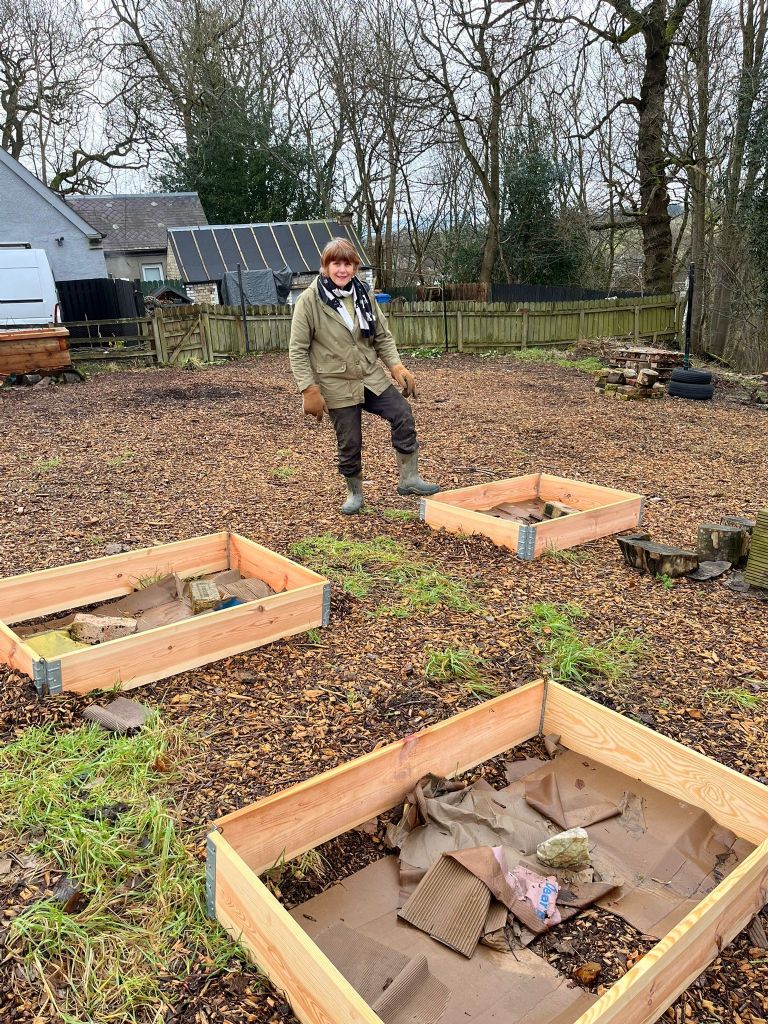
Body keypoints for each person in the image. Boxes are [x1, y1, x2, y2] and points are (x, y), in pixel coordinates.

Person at [289, 237, 439, 514]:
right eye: (336, 264)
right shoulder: (309, 301)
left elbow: (381, 335)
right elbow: (297, 350)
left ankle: (409, 479)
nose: (342, 270)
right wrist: (308, 389)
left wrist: (396, 366)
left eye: (348, 264)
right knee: (350, 440)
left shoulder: (363, 294)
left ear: (355, 267)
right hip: (335, 383)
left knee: (402, 413)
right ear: (325, 266)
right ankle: (354, 493)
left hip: (369, 376)